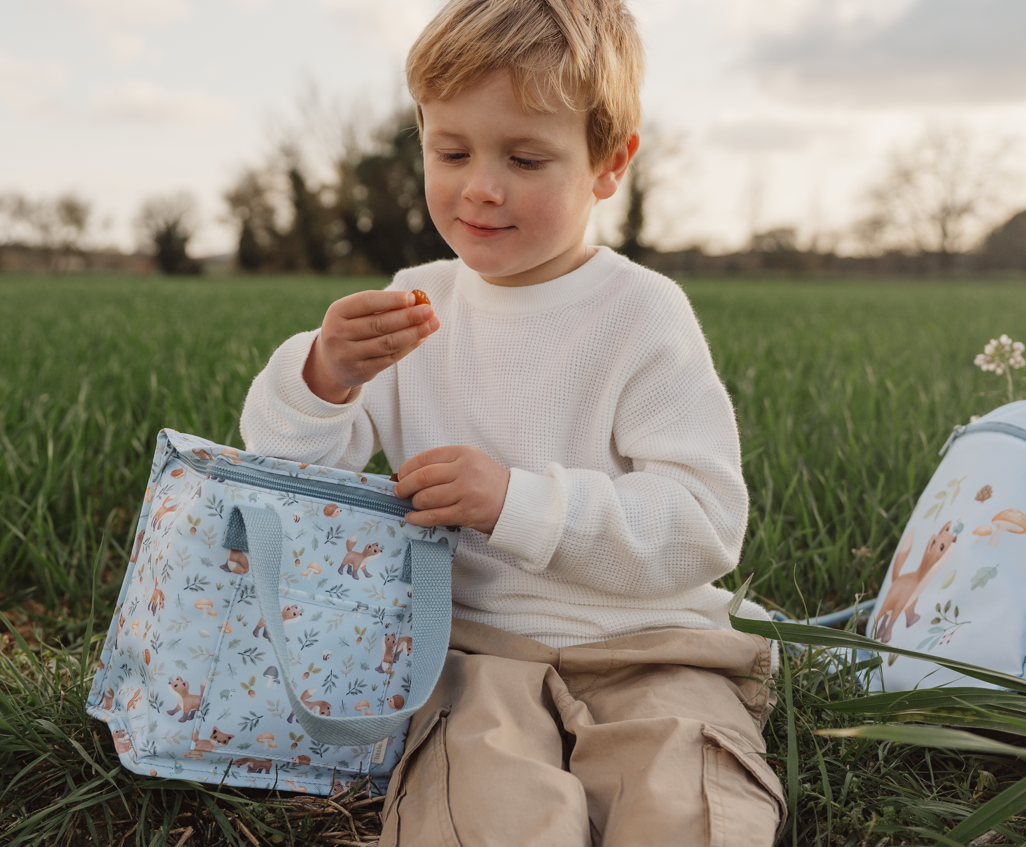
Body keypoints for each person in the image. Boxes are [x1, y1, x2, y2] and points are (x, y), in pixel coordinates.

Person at [240, 0, 784, 843]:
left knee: (687, 803)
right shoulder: (418, 301)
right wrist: (324, 375)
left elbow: (705, 523)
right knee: (473, 815)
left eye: (526, 158)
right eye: (450, 151)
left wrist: (516, 502)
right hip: (473, 655)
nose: (480, 186)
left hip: (655, 647)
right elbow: (291, 475)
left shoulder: (640, 314)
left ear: (609, 164)